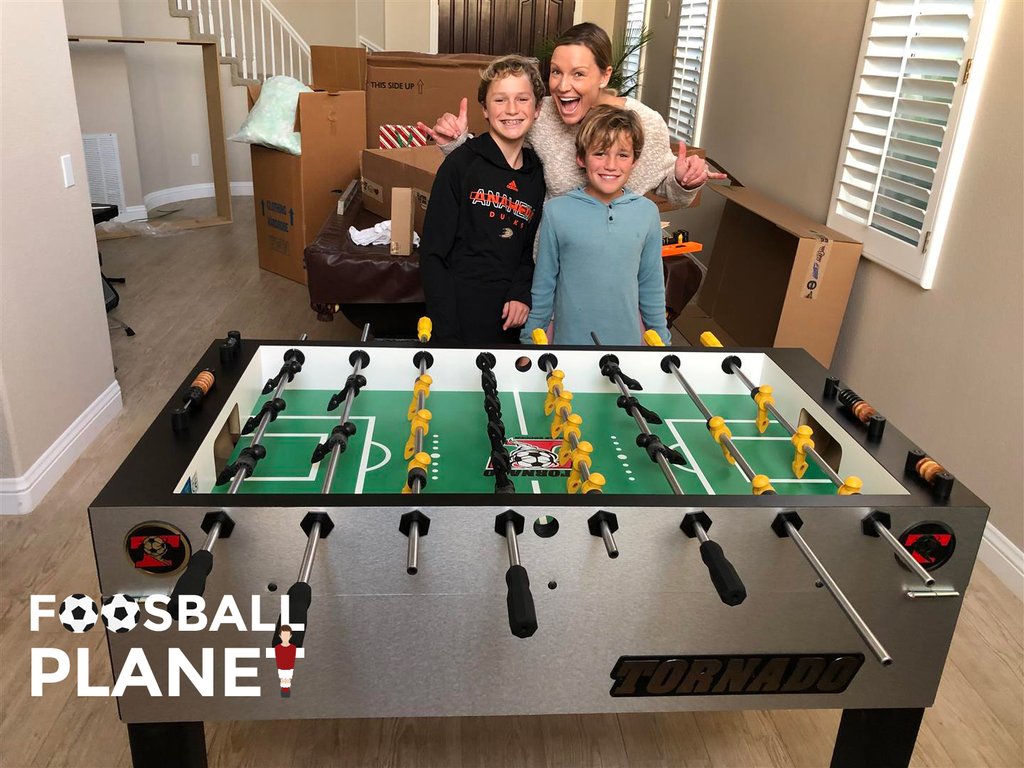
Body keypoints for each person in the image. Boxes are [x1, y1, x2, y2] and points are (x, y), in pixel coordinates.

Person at [418, 23, 726, 207]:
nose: (563, 86)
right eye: (555, 72)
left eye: (578, 74)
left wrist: (685, 181)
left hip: (606, 268)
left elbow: (671, 191)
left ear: (605, 75)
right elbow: (498, 161)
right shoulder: (543, 113)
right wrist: (458, 143)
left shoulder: (644, 123)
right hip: (543, 265)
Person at [418, 55, 547, 345]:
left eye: (522, 99)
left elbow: (529, 249)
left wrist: (520, 292)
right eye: (500, 100)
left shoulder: (537, 175)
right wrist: (446, 330)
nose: (511, 109)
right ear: (485, 110)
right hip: (457, 317)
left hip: (510, 321)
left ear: (537, 109)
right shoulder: (461, 165)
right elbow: (432, 255)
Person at [520, 105, 669, 347]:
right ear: (581, 157)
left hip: (628, 346)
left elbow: (651, 286)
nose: (611, 165)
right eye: (600, 153)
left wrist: (662, 344)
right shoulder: (556, 212)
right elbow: (544, 285)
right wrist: (530, 340)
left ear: (634, 161)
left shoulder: (647, 213)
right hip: (569, 345)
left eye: (623, 155)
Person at [274, 625, 297, 698]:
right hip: (281, 668)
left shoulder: (293, 648)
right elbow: (278, 659)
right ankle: (284, 693)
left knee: (287, 681)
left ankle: (286, 694)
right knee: (283, 681)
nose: (285, 637)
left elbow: (292, 659)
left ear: (290, 636)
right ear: (280, 636)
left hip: (289, 668)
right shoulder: (277, 648)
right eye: (283, 635)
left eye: (287, 635)